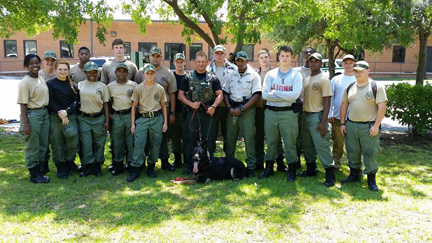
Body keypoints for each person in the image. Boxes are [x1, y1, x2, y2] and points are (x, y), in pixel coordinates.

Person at [340, 61, 387, 191]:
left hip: (369, 126)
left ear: (368, 71)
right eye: (356, 71)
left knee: (370, 152)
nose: (358, 73)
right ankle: (354, 175)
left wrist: (376, 126)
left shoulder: (376, 86)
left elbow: (382, 106)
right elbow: (344, 105)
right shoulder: (350, 86)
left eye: (361, 70)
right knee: (352, 151)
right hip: (351, 125)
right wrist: (343, 123)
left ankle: (371, 180)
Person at [259, 45, 302, 180]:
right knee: (271, 141)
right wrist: (284, 95)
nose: (284, 58)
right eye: (282, 55)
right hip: (271, 112)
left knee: (290, 142)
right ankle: (269, 168)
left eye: (287, 56)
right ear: (278, 56)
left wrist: (275, 92)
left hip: (288, 113)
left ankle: (291, 170)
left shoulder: (296, 75)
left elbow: (294, 96)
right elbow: (265, 95)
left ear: (292, 57)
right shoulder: (271, 74)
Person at [179, 51, 224, 175]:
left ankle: (208, 164)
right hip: (192, 113)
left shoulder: (213, 77)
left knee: (208, 140)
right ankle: (189, 165)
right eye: (198, 61)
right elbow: (180, 95)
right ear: (194, 62)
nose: (200, 64)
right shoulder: (187, 77)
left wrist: (214, 106)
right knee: (190, 139)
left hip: (208, 113)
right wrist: (191, 104)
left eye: (203, 62)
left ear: (207, 62)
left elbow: (220, 95)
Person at [135, 46, 177, 172]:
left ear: (161, 57)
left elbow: (172, 93)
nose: (155, 58)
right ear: (149, 57)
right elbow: (137, 90)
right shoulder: (141, 72)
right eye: (153, 55)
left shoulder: (167, 73)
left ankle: (164, 161)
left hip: (163, 109)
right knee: (144, 139)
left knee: (162, 137)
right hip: (144, 111)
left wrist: (172, 113)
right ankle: (142, 163)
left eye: (158, 56)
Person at [297, 53, 335, 187]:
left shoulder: (324, 79)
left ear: (320, 63)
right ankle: (311, 168)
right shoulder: (307, 78)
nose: (313, 63)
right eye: (311, 61)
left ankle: (330, 174)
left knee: (321, 145)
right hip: (306, 115)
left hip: (317, 116)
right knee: (307, 144)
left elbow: (327, 101)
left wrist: (323, 122)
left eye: (316, 61)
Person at [127, 64, 168, 182]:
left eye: (152, 73)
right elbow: (134, 106)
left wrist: (165, 122)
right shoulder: (138, 88)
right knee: (139, 143)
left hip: (156, 118)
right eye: (147, 73)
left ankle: (151, 167)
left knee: (155, 143)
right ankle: (136, 169)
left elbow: (163, 106)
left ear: (155, 74)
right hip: (143, 118)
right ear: (143, 74)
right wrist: (133, 123)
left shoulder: (159, 88)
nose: (149, 75)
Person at [223, 51, 261, 177]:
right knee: (230, 138)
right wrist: (229, 108)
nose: (240, 63)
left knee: (249, 138)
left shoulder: (254, 75)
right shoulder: (230, 75)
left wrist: (242, 109)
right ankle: (228, 165)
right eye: (238, 60)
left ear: (247, 61)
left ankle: (251, 166)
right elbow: (225, 92)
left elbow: (256, 95)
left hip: (247, 110)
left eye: (243, 60)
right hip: (232, 109)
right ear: (235, 62)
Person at [17, 54, 50, 183]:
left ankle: (40, 171)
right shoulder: (25, 82)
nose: (35, 65)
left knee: (43, 144)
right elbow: (23, 104)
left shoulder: (40, 78)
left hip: (43, 113)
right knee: (33, 145)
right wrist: (25, 123)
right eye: (31, 63)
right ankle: (34, 174)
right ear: (26, 65)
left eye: (37, 63)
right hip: (33, 115)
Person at [46, 59, 80, 179]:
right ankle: (61, 166)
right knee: (57, 142)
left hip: (70, 117)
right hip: (55, 118)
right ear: (55, 70)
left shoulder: (73, 85)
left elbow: (76, 101)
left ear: (68, 71)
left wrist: (67, 112)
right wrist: (60, 113)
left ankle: (69, 162)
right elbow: (50, 101)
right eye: (60, 69)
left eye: (65, 69)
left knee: (73, 139)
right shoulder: (50, 84)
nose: (62, 71)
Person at [254, 48, 286, 172]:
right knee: (259, 136)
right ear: (258, 60)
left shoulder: (276, 73)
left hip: (273, 108)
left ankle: (280, 163)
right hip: (259, 110)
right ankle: (259, 162)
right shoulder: (255, 74)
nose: (264, 59)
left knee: (275, 137)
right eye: (261, 57)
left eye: (266, 57)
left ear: (270, 57)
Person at [77, 61, 110, 177]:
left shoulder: (102, 86)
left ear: (98, 73)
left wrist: (107, 121)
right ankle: (88, 166)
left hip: (98, 117)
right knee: (86, 143)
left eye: (94, 72)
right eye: (89, 72)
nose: (92, 74)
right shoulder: (80, 84)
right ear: (85, 72)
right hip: (84, 118)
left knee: (99, 142)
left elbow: (106, 104)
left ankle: (97, 165)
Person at [107, 63, 138, 176]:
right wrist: (111, 115)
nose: (121, 73)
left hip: (129, 114)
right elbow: (107, 102)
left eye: (124, 71)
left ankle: (130, 164)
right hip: (117, 116)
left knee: (131, 141)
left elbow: (137, 101)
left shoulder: (133, 85)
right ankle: (118, 165)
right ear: (115, 73)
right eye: (119, 71)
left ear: (127, 73)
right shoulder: (110, 86)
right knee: (118, 141)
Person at [206, 45, 237, 155]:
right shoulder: (207, 68)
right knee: (211, 133)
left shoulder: (233, 68)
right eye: (217, 53)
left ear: (225, 54)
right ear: (213, 54)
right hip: (213, 106)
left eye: (221, 53)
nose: (219, 56)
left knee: (228, 134)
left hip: (228, 106)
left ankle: (229, 157)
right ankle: (210, 158)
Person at [329, 54, 356, 170]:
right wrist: (330, 113)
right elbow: (330, 97)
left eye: (350, 63)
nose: (348, 65)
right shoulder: (336, 79)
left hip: (354, 118)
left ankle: (355, 166)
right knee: (338, 142)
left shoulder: (357, 78)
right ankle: (336, 162)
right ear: (342, 64)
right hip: (338, 117)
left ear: (354, 64)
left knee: (354, 144)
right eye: (346, 63)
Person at [169, 53, 188, 168]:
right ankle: (177, 161)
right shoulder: (171, 77)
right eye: (177, 62)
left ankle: (186, 160)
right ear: (174, 63)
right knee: (175, 137)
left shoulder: (189, 77)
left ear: (184, 63)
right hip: (174, 112)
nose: (179, 64)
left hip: (186, 113)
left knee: (186, 137)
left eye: (181, 62)